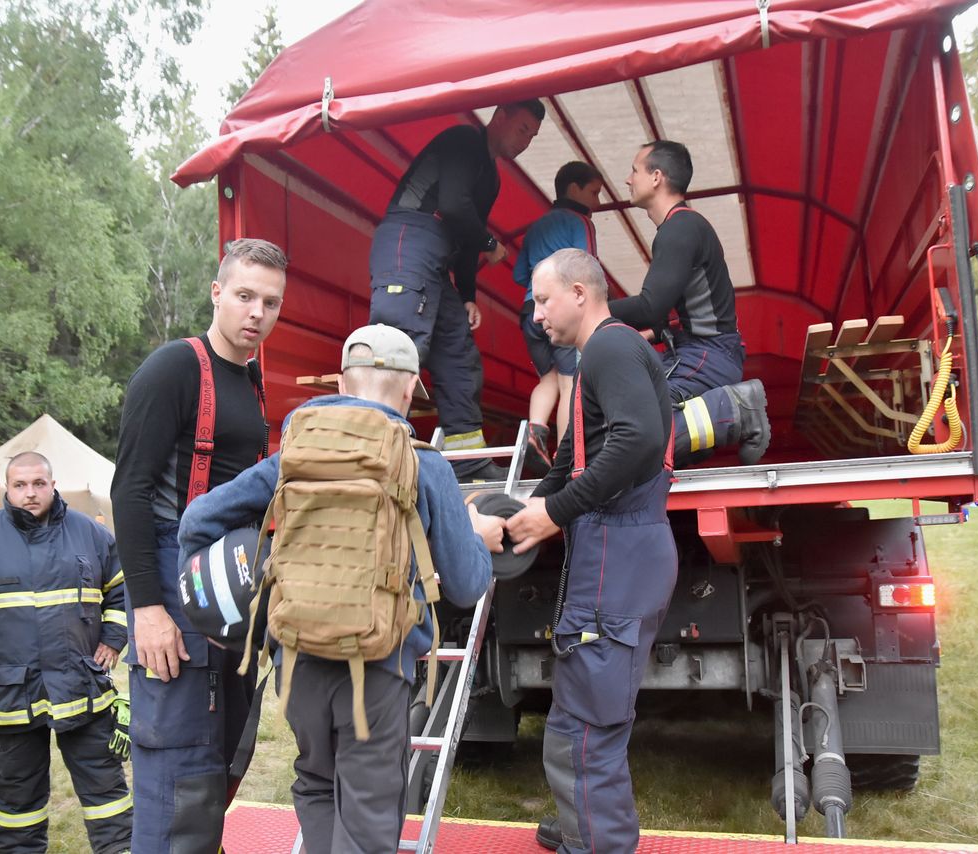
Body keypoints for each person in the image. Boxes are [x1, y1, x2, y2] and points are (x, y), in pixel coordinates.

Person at [177, 323, 502, 854]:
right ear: (407, 389)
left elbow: (196, 521)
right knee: (370, 817)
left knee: (317, 787)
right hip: (378, 670)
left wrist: (238, 601)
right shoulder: (423, 463)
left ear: (345, 385)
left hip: (297, 662)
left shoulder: (293, 456)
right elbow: (466, 587)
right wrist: (478, 539)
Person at [111, 237, 287, 852]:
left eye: (270, 301)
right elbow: (129, 492)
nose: (256, 313)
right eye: (244, 296)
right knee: (177, 768)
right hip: (170, 576)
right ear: (217, 293)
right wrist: (150, 612)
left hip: (229, 576)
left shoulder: (250, 376)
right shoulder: (175, 369)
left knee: (219, 759)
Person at [506, 249, 677, 854]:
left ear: (580, 292)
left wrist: (554, 513)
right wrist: (520, 513)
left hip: (619, 551)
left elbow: (639, 440)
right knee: (581, 723)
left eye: (542, 300)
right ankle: (587, 828)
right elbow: (570, 461)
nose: (536, 316)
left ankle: (596, 843)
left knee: (583, 732)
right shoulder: (597, 355)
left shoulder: (608, 348)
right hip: (616, 551)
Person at [0, 452, 131, 853]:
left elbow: (122, 590)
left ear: (52, 484)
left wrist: (114, 639)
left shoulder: (92, 534)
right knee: (19, 798)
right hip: (12, 692)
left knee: (106, 789)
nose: (30, 493)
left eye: (38, 484)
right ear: (7, 488)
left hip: (81, 686)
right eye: (20, 485)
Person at [369, 100, 545, 482]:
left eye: (532, 135)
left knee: (459, 355)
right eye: (522, 129)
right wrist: (489, 242)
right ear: (499, 117)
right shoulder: (466, 141)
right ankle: (374, 456)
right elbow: (453, 206)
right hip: (408, 239)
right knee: (398, 349)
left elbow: (465, 237)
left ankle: (469, 464)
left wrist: (467, 295)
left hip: (437, 259)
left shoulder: (492, 178)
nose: (526, 141)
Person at [610, 140, 770, 465]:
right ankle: (710, 424)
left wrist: (593, 312)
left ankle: (736, 408)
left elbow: (650, 306)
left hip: (707, 355)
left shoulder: (679, 229)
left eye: (634, 170)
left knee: (640, 429)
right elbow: (668, 314)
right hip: (702, 351)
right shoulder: (680, 228)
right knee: (633, 434)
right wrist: (649, 336)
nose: (628, 179)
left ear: (656, 177)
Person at [512, 161, 604, 476]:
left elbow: (519, 274)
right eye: (594, 193)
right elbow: (588, 268)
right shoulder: (580, 222)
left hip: (529, 311)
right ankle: (569, 456)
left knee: (548, 379)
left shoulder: (536, 227)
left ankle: (535, 434)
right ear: (574, 189)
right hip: (560, 311)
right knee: (570, 384)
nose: (598, 203)